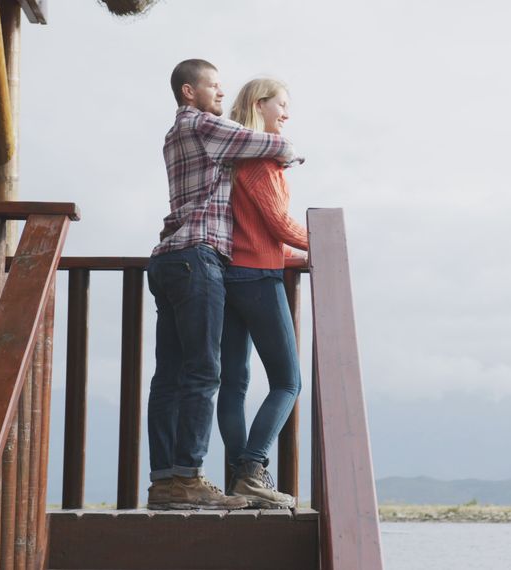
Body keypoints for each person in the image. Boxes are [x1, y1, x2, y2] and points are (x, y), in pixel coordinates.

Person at [147, 60, 298, 510]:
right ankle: (194, 476)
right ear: (189, 92)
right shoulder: (202, 126)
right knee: (204, 372)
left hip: (169, 258)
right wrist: (288, 151)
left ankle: (165, 482)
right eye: (213, 85)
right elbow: (274, 144)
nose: (220, 92)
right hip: (199, 258)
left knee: (170, 377)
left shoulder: (175, 135)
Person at [217, 78, 307, 508]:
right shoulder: (261, 162)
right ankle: (252, 469)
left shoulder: (234, 158)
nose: (287, 113)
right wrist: (329, 240)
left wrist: (290, 252)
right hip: (257, 277)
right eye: (282, 104)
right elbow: (279, 226)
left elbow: (261, 230)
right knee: (288, 381)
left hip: (229, 274)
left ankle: (240, 481)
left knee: (234, 383)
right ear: (259, 104)